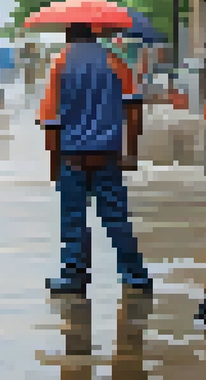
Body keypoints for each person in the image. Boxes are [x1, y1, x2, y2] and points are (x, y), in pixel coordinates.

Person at [39, 22, 151, 295]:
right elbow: (134, 111)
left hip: (72, 158)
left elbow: (51, 122)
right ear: (95, 33)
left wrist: (54, 166)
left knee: (73, 222)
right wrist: (131, 153)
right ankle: (135, 277)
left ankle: (73, 278)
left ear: (68, 33)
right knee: (118, 221)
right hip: (108, 157)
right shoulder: (116, 62)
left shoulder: (60, 63)